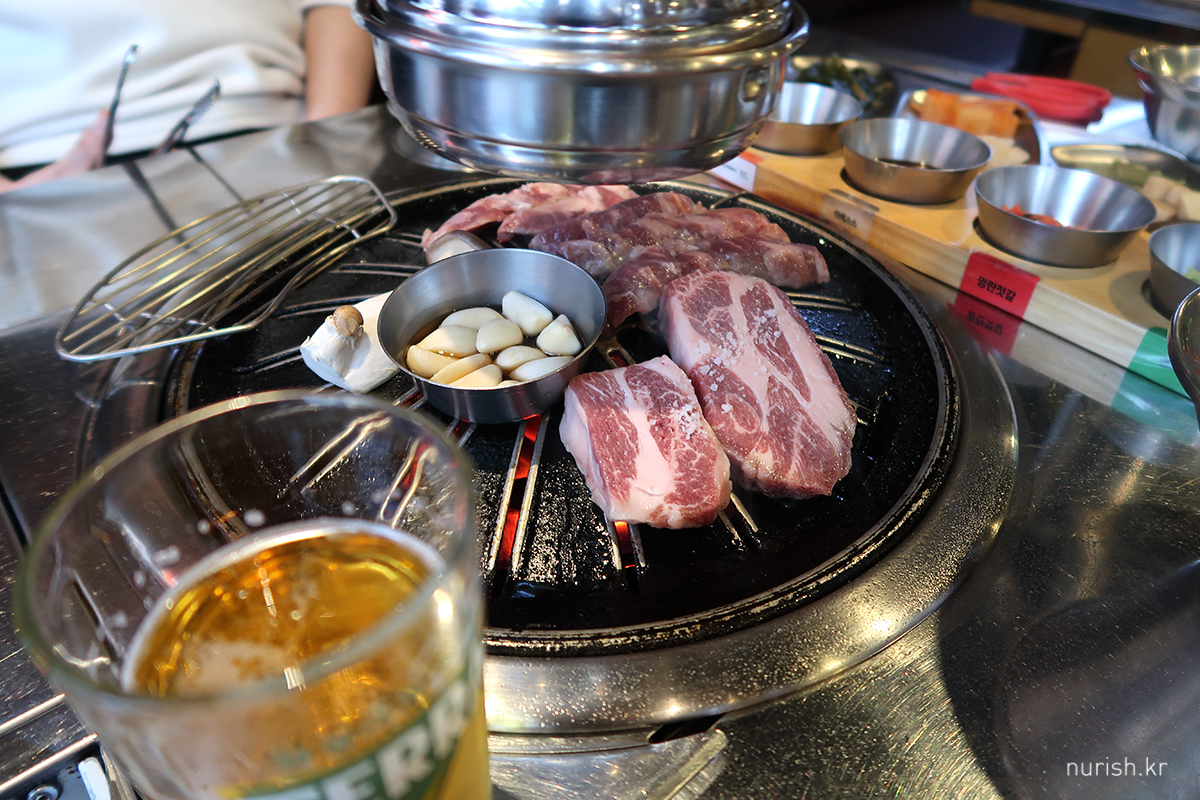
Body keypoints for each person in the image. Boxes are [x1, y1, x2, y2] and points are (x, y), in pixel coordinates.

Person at [0, 0, 376, 192]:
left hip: (275, 131)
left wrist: (329, 133)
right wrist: (12, 196)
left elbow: (338, 5)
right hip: (44, 163)